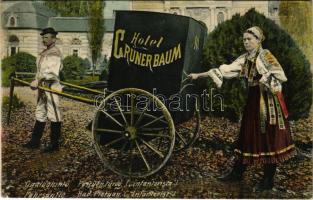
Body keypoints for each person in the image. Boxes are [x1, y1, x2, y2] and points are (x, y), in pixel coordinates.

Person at [188, 26, 296, 190]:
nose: (246, 42)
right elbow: (225, 70)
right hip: (253, 101)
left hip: (269, 102)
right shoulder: (245, 59)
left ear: (258, 40)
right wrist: (199, 75)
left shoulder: (265, 55)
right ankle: (237, 173)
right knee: (247, 134)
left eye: (249, 39)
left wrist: (265, 78)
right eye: (244, 39)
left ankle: (268, 180)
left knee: (269, 137)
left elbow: (281, 74)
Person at [23, 27, 63, 153]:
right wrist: (36, 80)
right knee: (40, 112)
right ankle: (35, 141)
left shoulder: (55, 53)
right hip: (42, 87)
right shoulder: (44, 53)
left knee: (54, 114)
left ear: (53, 38)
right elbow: (39, 71)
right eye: (43, 37)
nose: (43, 39)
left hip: (51, 87)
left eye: (46, 37)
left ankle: (54, 144)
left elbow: (52, 73)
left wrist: (38, 80)